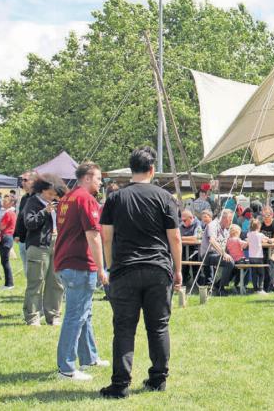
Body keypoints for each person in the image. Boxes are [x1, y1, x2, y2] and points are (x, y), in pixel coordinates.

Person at [99, 146, 182, 399]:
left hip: (125, 269)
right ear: (152, 169)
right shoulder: (164, 197)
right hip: (158, 268)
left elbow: (106, 237)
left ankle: (120, 384)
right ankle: (158, 379)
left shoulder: (114, 198)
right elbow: (175, 238)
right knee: (158, 327)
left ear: (130, 170)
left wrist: (111, 266)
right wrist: (178, 270)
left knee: (124, 328)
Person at [54, 162, 110, 381]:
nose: (100, 183)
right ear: (87, 177)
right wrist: (100, 267)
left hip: (65, 261)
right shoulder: (86, 199)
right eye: (97, 178)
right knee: (75, 316)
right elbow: (93, 235)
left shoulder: (67, 198)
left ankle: (89, 358)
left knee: (84, 313)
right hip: (79, 264)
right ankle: (67, 369)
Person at [22, 173, 67, 326]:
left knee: (56, 282)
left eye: (55, 194)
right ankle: (32, 316)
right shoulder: (32, 202)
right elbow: (29, 224)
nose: (52, 197)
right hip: (38, 246)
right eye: (49, 194)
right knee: (36, 282)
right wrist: (44, 212)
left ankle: (53, 315)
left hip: (56, 244)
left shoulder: (57, 203)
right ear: (41, 190)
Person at [198, 209, 236, 295]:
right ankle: (221, 290)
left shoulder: (225, 230)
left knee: (235, 264)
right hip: (207, 255)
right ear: (224, 218)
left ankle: (217, 285)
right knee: (229, 262)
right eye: (230, 220)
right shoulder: (213, 225)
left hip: (217, 254)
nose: (231, 222)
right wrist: (224, 254)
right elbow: (212, 241)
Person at [13, 171, 37, 276]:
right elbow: (20, 217)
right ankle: (30, 291)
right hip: (22, 240)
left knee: (35, 271)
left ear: (34, 181)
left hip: (33, 240)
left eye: (25, 180)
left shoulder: (39, 198)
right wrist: (16, 233)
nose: (23, 182)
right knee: (27, 268)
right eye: (22, 180)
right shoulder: (24, 198)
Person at [259, 206, 274, 292]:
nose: (264, 217)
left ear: (272, 215)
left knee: (272, 260)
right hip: (264, 250)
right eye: (263, 215)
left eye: (267, 215)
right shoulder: (261, 224)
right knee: (259, 260)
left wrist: (268, 240)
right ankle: (261, 286)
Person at [0, 195, 17, 290]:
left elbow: (2, 227)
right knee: (5, 261)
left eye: (6, 201)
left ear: (11, 203)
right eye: (3, 201)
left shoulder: (8, 213)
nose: (3, 202)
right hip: (7, 237)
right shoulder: (10, 212)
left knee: (5, 262)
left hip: (6, 237)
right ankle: (8, 283)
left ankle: (9, 284)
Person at [246, 218, 269, 293]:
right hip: (259, 256)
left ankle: (255, 288)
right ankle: (261, 288)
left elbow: (248, 241)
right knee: (261, 273)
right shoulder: (260, 235)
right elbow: (267, 239)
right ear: (259, 227)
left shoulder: (248, 234)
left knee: (254, 273)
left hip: (251, 257)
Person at [179, 209, 202, 284]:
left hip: (195, 248)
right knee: (180, 260)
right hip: (183, 248)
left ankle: (197, 283)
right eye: (182, 220)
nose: (183, 222)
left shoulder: (198, 224)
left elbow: (196, 238)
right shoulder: (181, 225)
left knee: (194, 259)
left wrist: (181, 238)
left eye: (185, 220)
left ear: (191, 218)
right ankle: (183, 282)